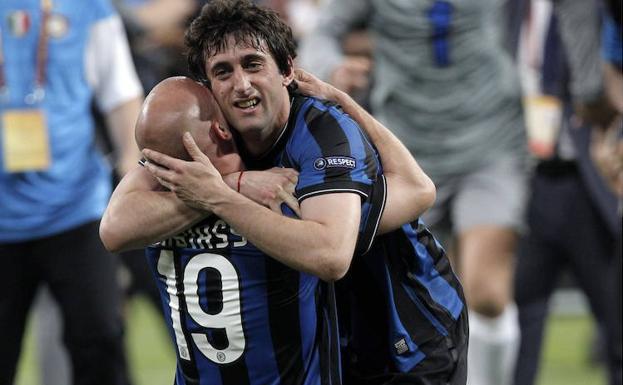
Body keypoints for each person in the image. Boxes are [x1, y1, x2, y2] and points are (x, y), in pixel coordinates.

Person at [122, 1, 467, 383]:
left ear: (287, 69)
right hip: (332, 334)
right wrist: (232, 184)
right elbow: (114, 227)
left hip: (406, 335)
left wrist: (218, 196)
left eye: (253, 64)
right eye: (223, 71)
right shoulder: (209, 133)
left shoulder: (323, 133)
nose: (242, 84)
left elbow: (334, 251)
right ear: (207, 86)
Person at [298, 1, 528, 384]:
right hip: (405, 151)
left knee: (487, 291)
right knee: (406, 301)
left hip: (491, 139)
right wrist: (332, 69)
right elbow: (324, 30)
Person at [0, 0, 143, 384]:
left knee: (100, 343)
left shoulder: (89, 8)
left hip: (77, 208)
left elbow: (120, 94)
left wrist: (131, 169)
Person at [512, 2, 622, 384]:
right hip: (523, 181)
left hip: (588, 182)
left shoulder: (592, 8)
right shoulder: (504, 9)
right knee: (519, 316)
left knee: (614, 317)